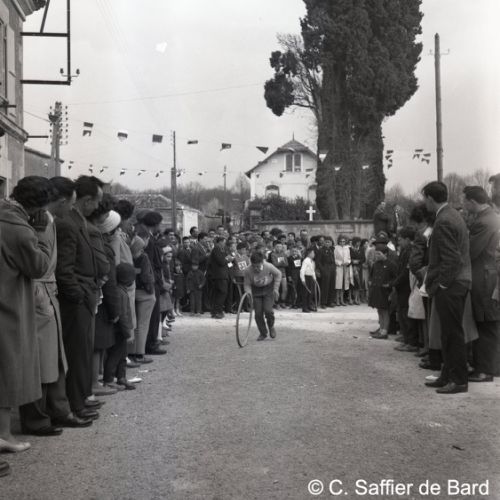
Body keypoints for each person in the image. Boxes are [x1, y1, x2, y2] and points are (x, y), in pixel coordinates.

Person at [19, 177, 93, 436]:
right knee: (42, 359)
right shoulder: (42, 223)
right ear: (61, 201)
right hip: (40, 292)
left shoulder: (47, 221)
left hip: (47, 293)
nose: (71, 208)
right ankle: (40, 416)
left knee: (53, 358)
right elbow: (39, 262)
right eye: (70, 203)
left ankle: (55, 411)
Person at [0, 176, 51, 453]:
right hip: (9, 306)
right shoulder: (21, 230)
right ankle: (4, 435)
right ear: (38, 207)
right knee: (7, 371)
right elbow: (39, 267)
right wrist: (40, 234)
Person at [55, 175, 104, 421]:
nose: (98, 206)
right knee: (76, 353)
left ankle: (80, 399)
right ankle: (75, 403)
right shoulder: (69, 224)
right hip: (77, 299)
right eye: (97, 201)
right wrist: (78, 295)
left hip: (84, 294)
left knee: (83, 351)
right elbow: (65, 269)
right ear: (86, 200)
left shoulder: (76, 221)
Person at [423, 181, 472, 394]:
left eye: (425, 198)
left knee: (452, 334)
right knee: (448, 333)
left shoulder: (443, 220)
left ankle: (458, 380)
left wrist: (441, 284)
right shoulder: (452, 215)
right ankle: (447, 375)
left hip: (451, 283)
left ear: (430, 198)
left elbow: (452, 259)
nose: (424, 203)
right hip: (458, 281)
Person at [463, 186, 500, 382]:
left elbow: (470, 251)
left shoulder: (483, 222)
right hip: (490, 275)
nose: (463, 205)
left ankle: (484, 370)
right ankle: (491, 367)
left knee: (485, 323)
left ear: (472, 202)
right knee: (490, 323)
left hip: (484, 278)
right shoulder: (493, 217)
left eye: (465, 201)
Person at [102, 263, 137, 390]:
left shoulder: (119, 290)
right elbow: (123, 315)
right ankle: (109, 379)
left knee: (122, 355)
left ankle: (121, 377)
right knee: (115, 355)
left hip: (120, 330)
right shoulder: (120, 293)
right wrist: (128, 333)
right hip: (119, 331)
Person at [243, 252, 281, 341]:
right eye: (254, 266)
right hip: (256, 292)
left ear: (262, 262)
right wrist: (249, 294)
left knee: (268, 311)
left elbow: (278, 274)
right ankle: (263, 333)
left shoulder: (268, 266)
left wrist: (276, 288)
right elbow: (247, 284)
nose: (256, 268)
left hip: (268, 290)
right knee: (258, 314)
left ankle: (271, 326)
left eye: (258, 266)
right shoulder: (248, 270)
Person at [368, 241, 398, 340]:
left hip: (385, 292)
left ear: (385, 254)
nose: (376, 256)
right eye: (376, 254)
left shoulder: (391, 264)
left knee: (385, 311)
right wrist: (370, 283)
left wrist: (389, 286)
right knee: (379, 310)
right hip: (376, 291)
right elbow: (371, 276)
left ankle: (385, 331)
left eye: (379, 254)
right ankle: (381, 329)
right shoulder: (376, 264)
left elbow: (395, 278)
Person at [300, 247, 317, 312]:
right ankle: (304, 307)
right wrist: (303, 280)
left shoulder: (312, 261)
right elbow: (302, 270)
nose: (314, 254)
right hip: (306, 277)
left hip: (310, 278)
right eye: (313, 253)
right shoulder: (306, 260)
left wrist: (314, 278)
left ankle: (309, 305)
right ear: (309, 253)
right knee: (306, 293)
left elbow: (313, 271)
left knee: (311, 292)